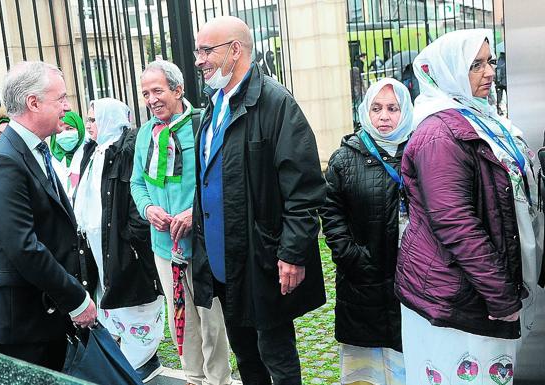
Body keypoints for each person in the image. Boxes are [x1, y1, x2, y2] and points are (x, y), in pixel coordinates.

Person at [395, 29, 542, 384]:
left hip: (483, 288)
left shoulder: (483, 119)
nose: (490, 71)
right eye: (475, 64)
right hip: (458, 298)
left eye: (491, 61)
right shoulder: (438, 134)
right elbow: (455, 222)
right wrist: (501, 297)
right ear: (447, 72)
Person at [192, 16, 326, 384]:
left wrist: (293, 253)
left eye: (207, 50)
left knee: (276, 360)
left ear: (236, 50)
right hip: (225, 264)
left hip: (262, 261)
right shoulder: (213, 106)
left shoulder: (276, 103)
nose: (199, 59)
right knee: (246, 359)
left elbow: (304, 188)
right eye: (197, 50)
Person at [0, 61, 97, 370]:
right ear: (33, 102)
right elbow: (23, 247)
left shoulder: (33, 150)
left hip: (40, 316)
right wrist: (76, 298)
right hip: (19, 326)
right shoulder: (3, 159)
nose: (67, 107)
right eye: (61, 98)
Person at [131, 60, 232, 385]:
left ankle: (219, 380)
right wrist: (148, 209)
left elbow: (220, 180)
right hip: (163, 247)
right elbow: (137, 182)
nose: (151, 99)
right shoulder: (145, 133)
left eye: (157, 90)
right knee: (182, 321)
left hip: (202, 245)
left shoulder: (202, 126)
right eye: (146, 93)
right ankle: (193, 377)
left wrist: (194, 212)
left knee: (211, 320)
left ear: (178, 89)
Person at [321, 78, 414, 385]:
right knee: (368, 369)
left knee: (409, 361)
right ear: (365, 110)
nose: (383, 116)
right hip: (363, 282)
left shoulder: (418, 151)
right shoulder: (345, 158)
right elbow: (331, 212)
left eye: (392, 108)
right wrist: (351, 256)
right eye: (376, 108)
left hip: (412, 281)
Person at [74, 98, 165, 382]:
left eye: (93, 119)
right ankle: (133, 360)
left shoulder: (126, 151)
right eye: (88, 120)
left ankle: (145, 361)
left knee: (137, 305)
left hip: (124, 247)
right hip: (100, 246)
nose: (89, 125)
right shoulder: (93, 151)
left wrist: (130, 240)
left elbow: (136, 197)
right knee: (114, 304)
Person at [50, 111, 86, 198]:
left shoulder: (89, 155)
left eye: (69, 129)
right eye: (60, 129)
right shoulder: (49, 160)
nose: (64, 133)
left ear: (80, 129)